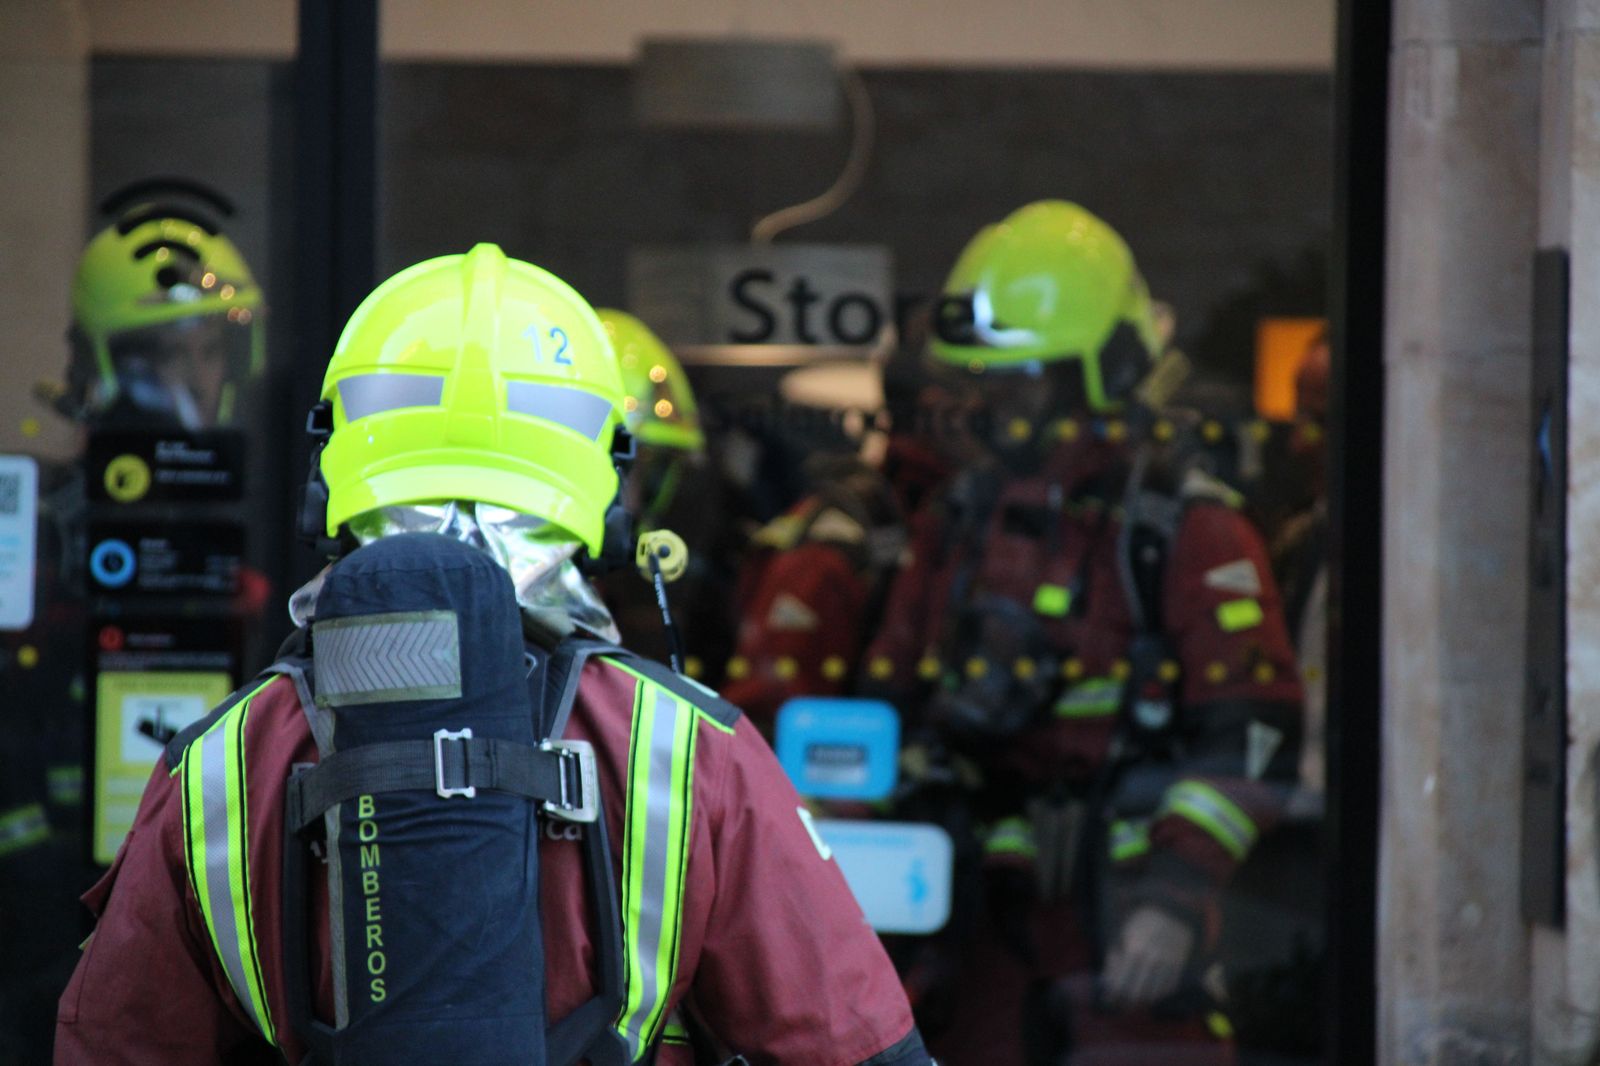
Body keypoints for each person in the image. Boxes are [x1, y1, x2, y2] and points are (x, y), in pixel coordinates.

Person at [55, 244, 929, 1066]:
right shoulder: (687, 751)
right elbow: (849, 1042)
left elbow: (112, 1045)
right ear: (605, 480)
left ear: (334, 469)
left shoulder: (220, 767)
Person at [862, 202, 1302, 1065]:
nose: (996, 408)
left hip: (1125, 939)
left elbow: (1252, 731)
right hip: (968, 933)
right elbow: (891, 702)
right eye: (983, 383)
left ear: (1102, 372)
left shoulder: (1182, 530)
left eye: (1021, 381)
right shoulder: (957, 519)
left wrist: (1175, 898)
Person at [0, 190, 269, 1061]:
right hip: (38, 935)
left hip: (213, 923)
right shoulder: (39, 535)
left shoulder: (258, 533)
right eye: (162, 354)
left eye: (208, 352)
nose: (190, 380)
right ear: (97, 363)